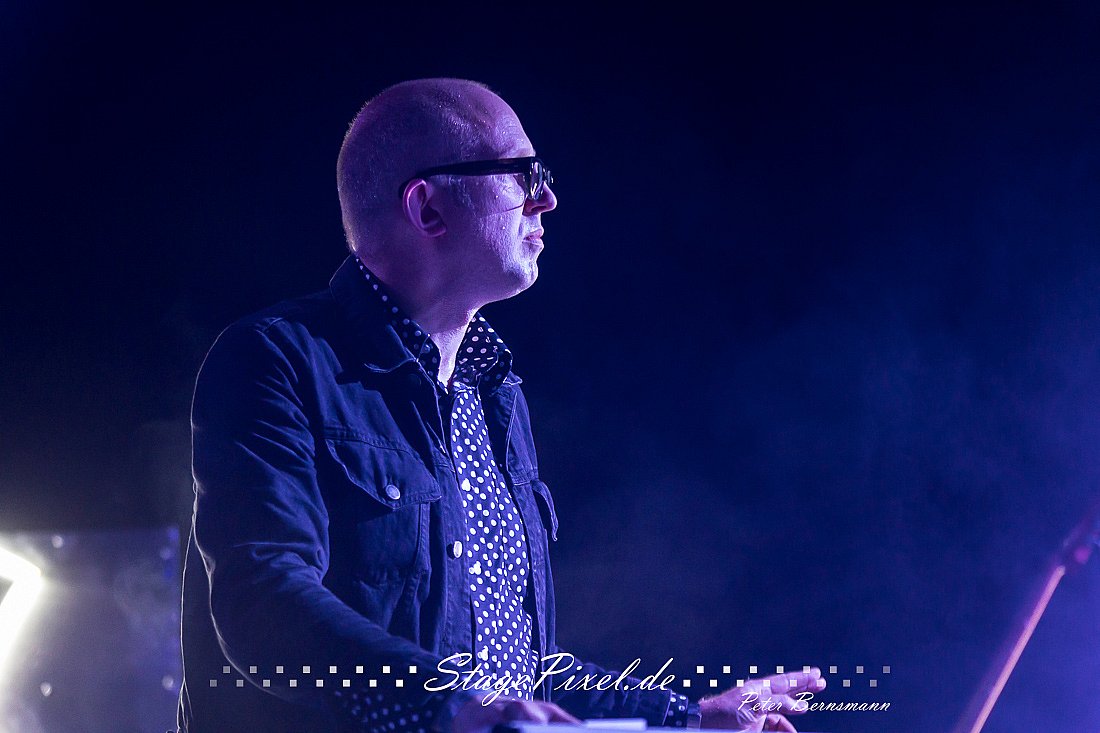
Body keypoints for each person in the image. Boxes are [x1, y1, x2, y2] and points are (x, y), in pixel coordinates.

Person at [177, 78, 823, 733]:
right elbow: (263, 602)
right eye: (523, 174)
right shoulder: (276, 358)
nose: (547, 198)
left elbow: (517, 672)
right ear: (428, 208)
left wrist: (689, 718)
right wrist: (455, 707)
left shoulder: (495, 394)